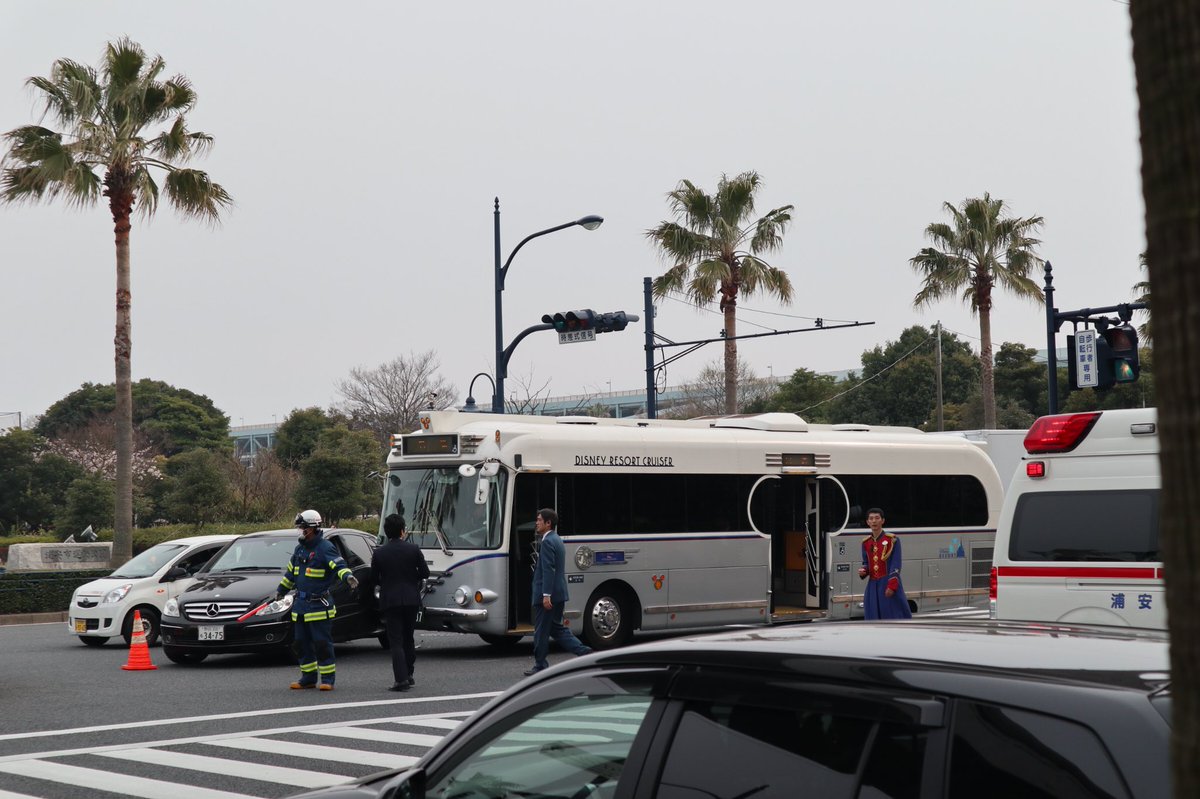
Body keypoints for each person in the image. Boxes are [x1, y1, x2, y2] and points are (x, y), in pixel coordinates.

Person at [276, 509, 360, 691]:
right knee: (301, 643)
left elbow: (339, 566)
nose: (301, 531)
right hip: (301, 606)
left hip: (318, 606)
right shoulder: (299, 549)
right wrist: (281, 590)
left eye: (303, 528)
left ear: (312, 528)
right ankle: (308, 678)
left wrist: (348, 577)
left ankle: (328, 679)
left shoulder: (325, 548)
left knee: (322, 643)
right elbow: (291, 574)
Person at [364, 514, 430, 692]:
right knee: (408, 637)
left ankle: (400, 680)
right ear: (402, 531)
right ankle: (409, 674)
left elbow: (373, 579)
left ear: (386, 532)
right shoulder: (414, 549)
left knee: (396, 641)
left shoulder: (379, 553)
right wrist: (411, 578)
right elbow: (425, 573)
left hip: (391, 599)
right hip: (411, 598)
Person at [525, 508, 591, 676]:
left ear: (548, 523)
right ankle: (585, 653)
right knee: (557, 630)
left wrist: (546, 595)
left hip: (548, 596)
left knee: (540, 631)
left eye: (539, 520)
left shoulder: (547, 542)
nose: (537, 522)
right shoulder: (557, 540)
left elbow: (549, 569)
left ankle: (540, 665)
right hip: (559, 593)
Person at [858, 507, 912, 620]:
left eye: (877, 518)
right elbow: (866, 563)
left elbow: (896, 564)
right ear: (867, 522)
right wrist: (864, 570)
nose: (874, 521)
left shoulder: (893, 540)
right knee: (873, 618)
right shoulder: (866, 543)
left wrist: (892, 586)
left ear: (882, 521)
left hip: (887, 583)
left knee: (892, 616)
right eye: (871, 519)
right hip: (873, 586)